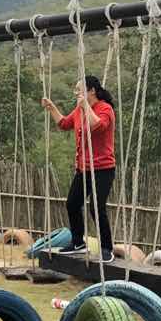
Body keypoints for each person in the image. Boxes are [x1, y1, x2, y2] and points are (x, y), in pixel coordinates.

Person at [42, 75, 118, 263]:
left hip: (103, 168)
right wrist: (52, 108)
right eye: (76, 89)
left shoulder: (105, 109)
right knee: (72, 203)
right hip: (84, 169)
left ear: (91, 91)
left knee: (96, 207)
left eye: (79, 89)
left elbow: (98, 126)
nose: (76, 93)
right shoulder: (79, 110)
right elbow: (63, 124)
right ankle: (77, 242)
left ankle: (107, 248)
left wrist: (85, 107)